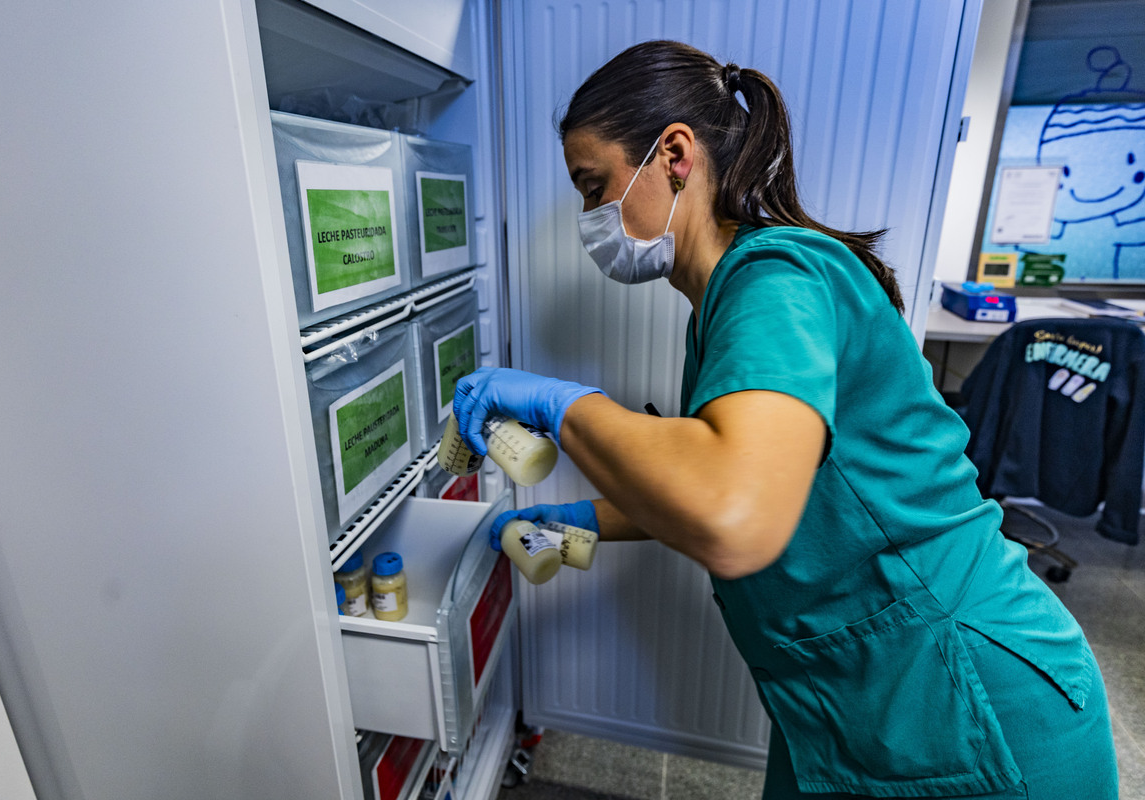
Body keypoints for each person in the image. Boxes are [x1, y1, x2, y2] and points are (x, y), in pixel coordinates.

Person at [453, 40, 1118, 799]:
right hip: (852, 693)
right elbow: (726, 471)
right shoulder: (725, 305)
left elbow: (733, 510)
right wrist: (579, 523)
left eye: (594, 185)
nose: (590, 217)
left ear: (675, 153)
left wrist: (561, 404)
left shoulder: (776, 282)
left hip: (971, 697)